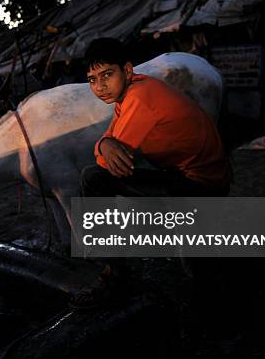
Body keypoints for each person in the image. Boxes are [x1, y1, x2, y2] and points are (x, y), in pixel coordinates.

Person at [72, 38, 230, 308]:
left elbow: (106, 163)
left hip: (200, 186)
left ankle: (116, 279)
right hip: (186, 176)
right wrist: (104, 143)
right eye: (92, 79)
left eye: (107, 75)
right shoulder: (130, 94)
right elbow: (108, 144)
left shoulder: (140, 97)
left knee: (93, 179)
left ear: (128, 70)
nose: (99, 87)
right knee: (97, 175)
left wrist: (106, 145)